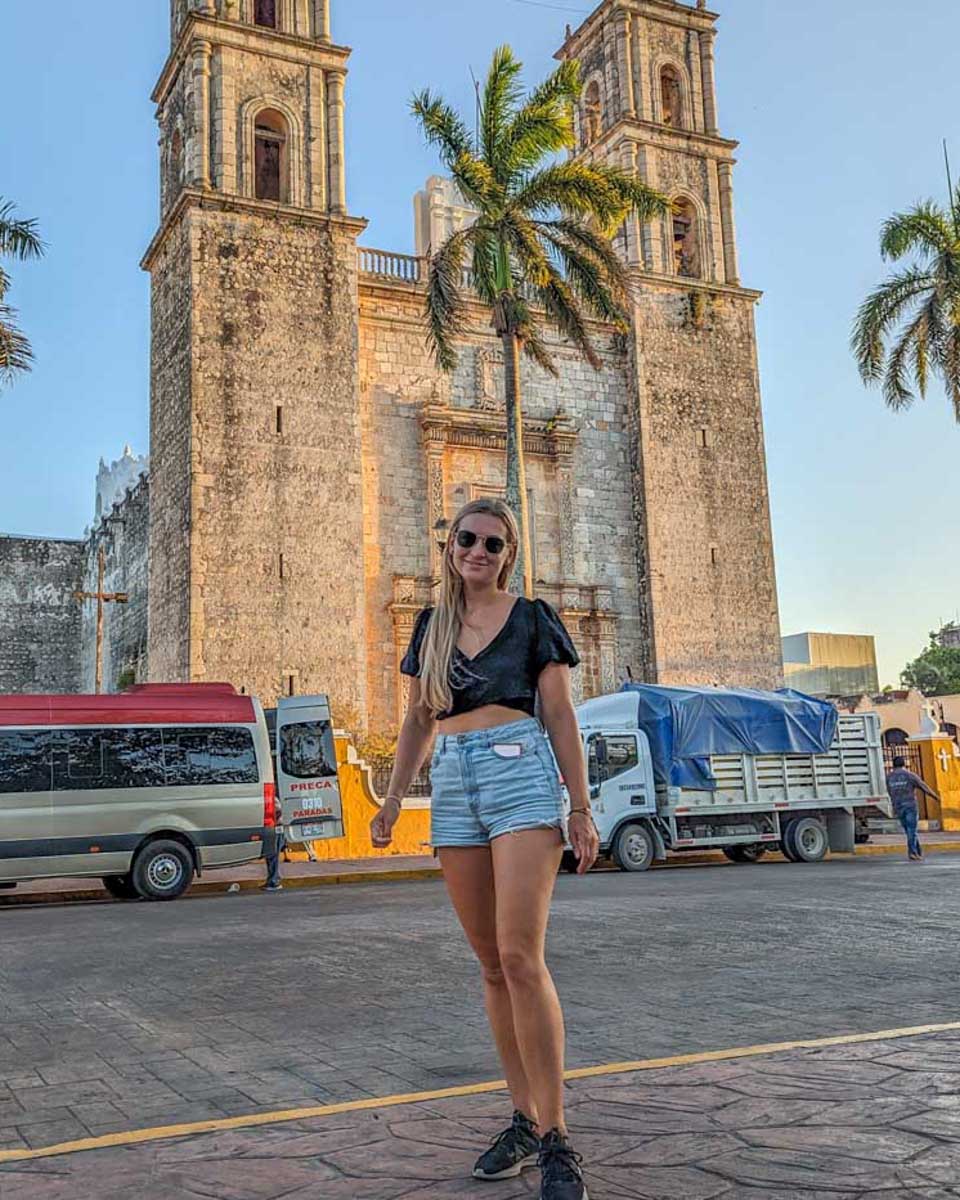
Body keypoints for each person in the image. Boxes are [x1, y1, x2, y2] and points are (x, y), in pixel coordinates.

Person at [371, 498, 599, 1200]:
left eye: (493, 543)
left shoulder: (533, 618)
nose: (478, 550)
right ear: (450, 547)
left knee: (523, 956)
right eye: (467, 538)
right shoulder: (432, 627)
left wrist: (581, 806)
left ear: (509, 555)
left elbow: (558, 713)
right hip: (455, 781)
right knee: (492, 965)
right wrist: (390, 797)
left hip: (520, 771)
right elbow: (418, 720)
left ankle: (558, 1137)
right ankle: (523, 1119)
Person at [886, 756, 938, 861]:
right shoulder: (909, 775)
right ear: (903, 764)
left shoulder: (889, 777)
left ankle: (917, 851)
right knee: (912, 830)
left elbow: (888, 791)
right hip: (910, 805)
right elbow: (924, 787)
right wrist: (935, 797)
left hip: (898, 806)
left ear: (893, 765)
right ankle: (913, 852)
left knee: (909, 830)